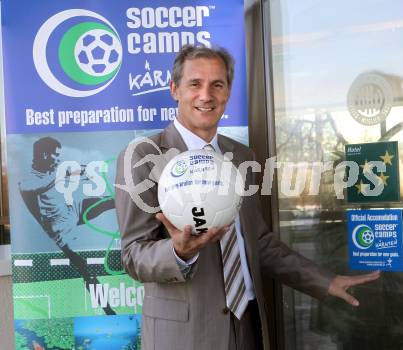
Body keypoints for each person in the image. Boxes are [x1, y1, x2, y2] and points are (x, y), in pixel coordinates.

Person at [114, 45, 380, 350]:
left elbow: (258, 242)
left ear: (228, 93)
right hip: (185, 336)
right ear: (175, 89)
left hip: (249, 325)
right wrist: (178, 252)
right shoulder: (144, 157)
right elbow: (133, 255)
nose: (206, 95)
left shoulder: (241, 156)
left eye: (217, 84)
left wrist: (324, 281)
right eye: (195, 84)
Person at [19, 136, 116, 315]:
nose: (57, 159)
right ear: (44, 155)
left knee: (111, 201)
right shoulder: (26, 181)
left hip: (73, 210)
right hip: (60, 229)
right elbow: (40, 186)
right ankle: (108, 310)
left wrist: (86, 171)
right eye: (55, 156)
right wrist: (64, 172)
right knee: (87, 269)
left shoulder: (53, 169)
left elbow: (69, 173)